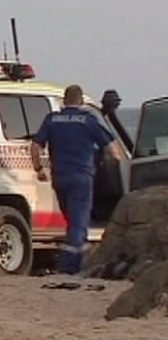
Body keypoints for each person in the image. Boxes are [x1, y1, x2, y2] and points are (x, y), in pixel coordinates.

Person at [31, 84, 123, 275]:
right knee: (78, 223)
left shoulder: (52, 119)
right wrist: (119, 164)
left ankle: (83, 259)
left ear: (64, 100)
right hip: (81, 177)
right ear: (81, 101)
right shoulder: (87, 120)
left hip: (60, 178)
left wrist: (39, 168)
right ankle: (69, 267)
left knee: (72, 221)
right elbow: (112, 150)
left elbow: (35, 146)